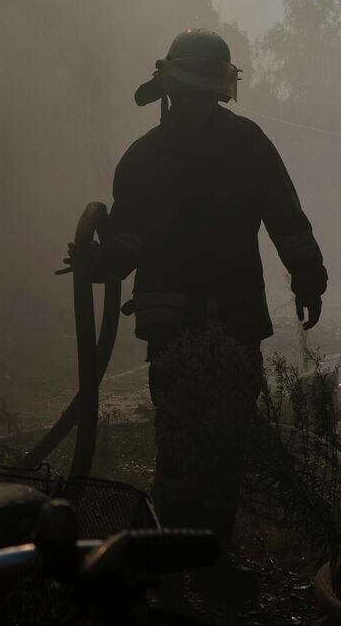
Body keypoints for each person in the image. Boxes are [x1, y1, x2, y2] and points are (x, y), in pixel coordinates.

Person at [67, 28, 327, 568]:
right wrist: (99, 264)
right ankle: (191, 554)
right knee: (192, 438)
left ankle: (196, 556)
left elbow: (285, 220)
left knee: (206, 440)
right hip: (207, 322)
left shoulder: (151, 155)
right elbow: (128, 243)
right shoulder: (238, 144)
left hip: (203, 322)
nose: (193, 106)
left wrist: (308, 276)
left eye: (196, 96)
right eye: (191, 97)